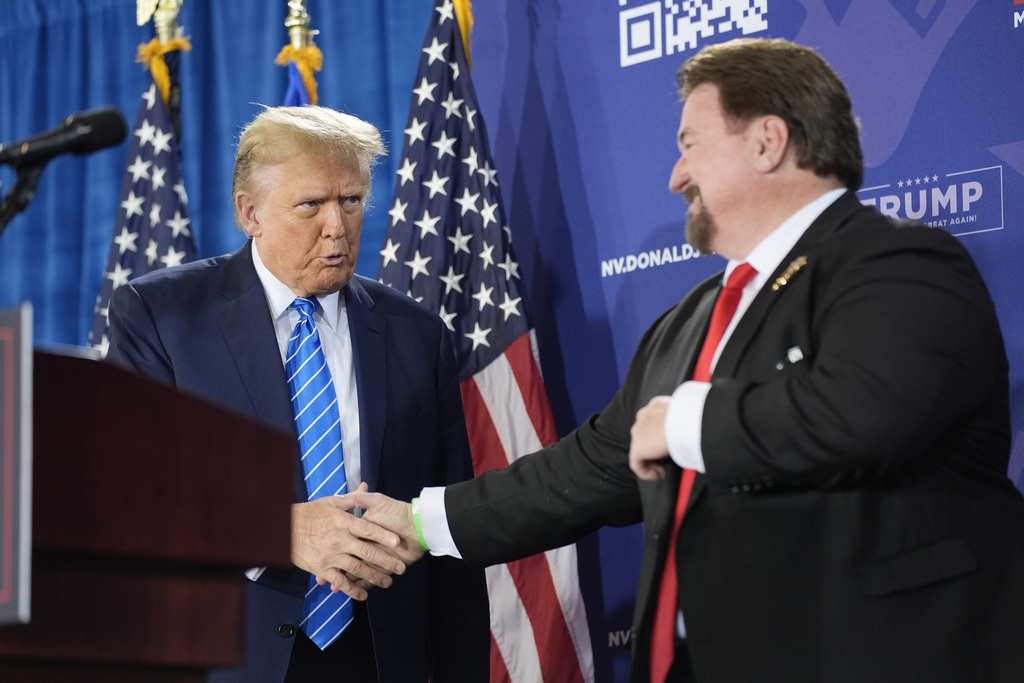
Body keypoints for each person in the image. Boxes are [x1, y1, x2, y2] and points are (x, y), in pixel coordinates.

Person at [346, 38, 1024, 683]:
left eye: (691, 145)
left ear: (767, 142)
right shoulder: (693, 318)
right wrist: (420, 522)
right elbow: (590, 468)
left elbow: (864, 411)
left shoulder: (899, 262)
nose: (675, 176)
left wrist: (687, 421)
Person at [106, 105, 489, 683]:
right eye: (310, 204)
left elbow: (450, 536)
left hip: (383, 657)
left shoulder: (417, 334)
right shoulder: (162, 316)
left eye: (352, 201)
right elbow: (129, 495)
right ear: (248, 212)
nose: (337, 226)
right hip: (226, 655)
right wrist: (278, 531)